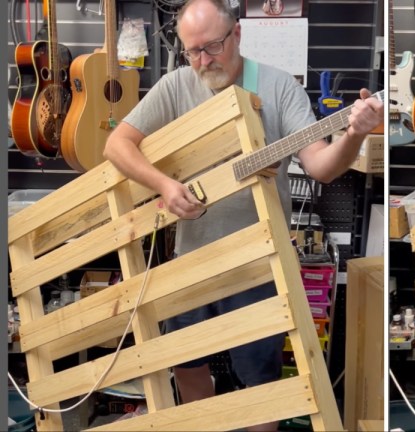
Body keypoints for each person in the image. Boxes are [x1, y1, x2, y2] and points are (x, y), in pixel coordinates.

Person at [103, 0, 383, 430]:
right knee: (186, 365)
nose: (202, 61)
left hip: (259, 265)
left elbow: (322, 167)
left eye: (212, 47)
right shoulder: (176, 85)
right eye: (191, 51)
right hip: (192, 260)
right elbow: (115, 145)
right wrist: (163, 185)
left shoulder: (277, 87)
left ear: (237, 35)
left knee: (259, 382)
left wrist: (353, 134)